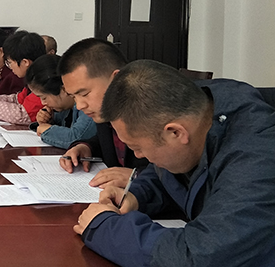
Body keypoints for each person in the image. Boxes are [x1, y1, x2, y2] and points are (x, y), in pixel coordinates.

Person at [75, 60, 275, 267]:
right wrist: (138, 196)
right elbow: (169, 172)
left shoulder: (257, 158)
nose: (138, 156)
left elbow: (201, 256)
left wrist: (106, 228)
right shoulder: (198, 110)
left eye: (137, 147)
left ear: (176, 132)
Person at [58, 38, 148, 188]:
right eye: (73, 97)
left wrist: (138, 176)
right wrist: (86, 147)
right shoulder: (105, 114)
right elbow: (106, 142)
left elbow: (179, 174)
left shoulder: (152, 115)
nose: (79, 106)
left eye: (85, 94)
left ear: (116, 80)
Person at [25, 54, 96, 148]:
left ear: (64, 89)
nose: (43, 103)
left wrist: (47, 130)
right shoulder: (63, 109)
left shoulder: (87, 105)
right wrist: (48, 121)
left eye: (44, 98)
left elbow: (77, 138)